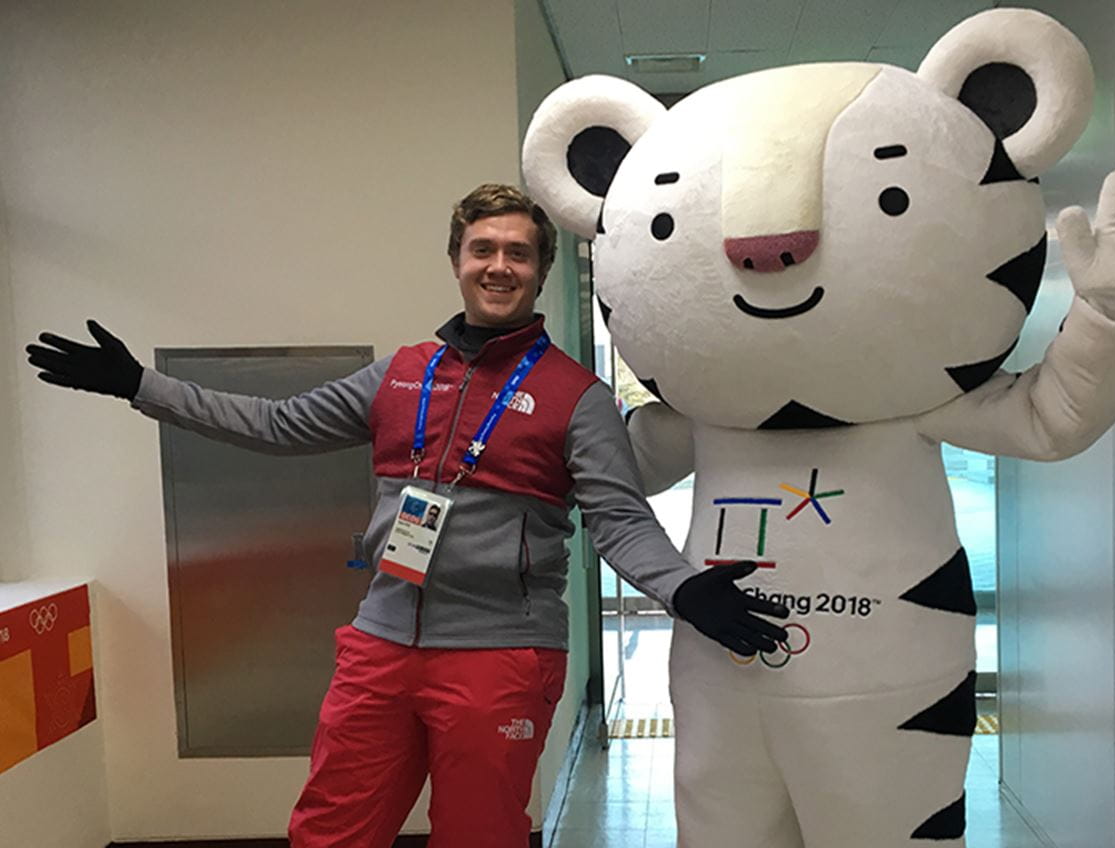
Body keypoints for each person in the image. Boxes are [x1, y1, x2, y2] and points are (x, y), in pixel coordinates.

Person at [25, 183, 790, 848]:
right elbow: (277, 424)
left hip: (502, 652)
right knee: (331, 831)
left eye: (518, 253)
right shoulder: (400, 374)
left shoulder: (576, 397)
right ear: (457, 260)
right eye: (483, 249)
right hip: (381, 641)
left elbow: (618, 518)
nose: (499, 266)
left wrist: (681, 588)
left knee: (480, 835)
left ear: (540, 271)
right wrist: (141, 385)